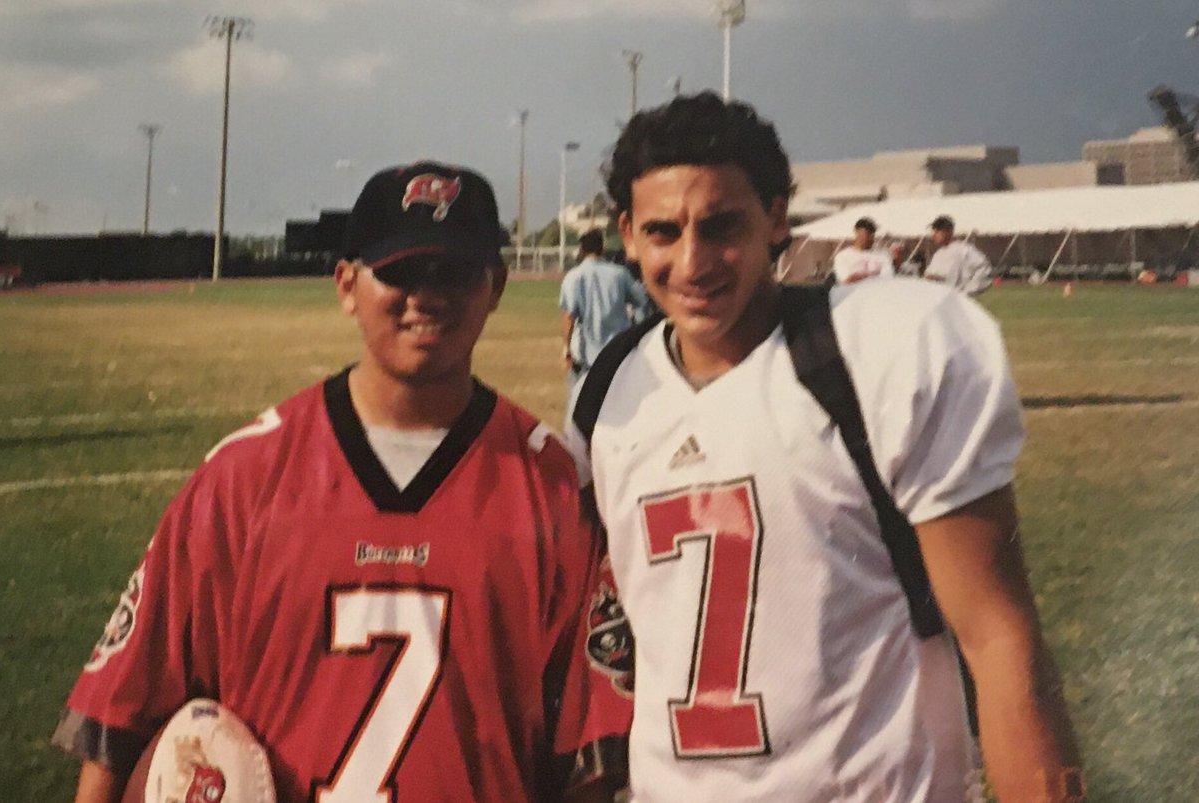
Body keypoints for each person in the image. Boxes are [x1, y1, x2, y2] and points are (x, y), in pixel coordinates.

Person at [566, 92, 1084, 801]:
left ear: (776, 216)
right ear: (627, 233)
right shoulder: (610, 393)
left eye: (721, 225)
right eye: (663, 231)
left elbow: (999, 635)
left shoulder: (877, 350)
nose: (692, 261)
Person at [52, 161, 618, 803]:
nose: (427, 296)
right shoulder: (244, 479)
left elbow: (586, 758)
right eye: (400, 271)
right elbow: (118, 718)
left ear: (496, 286)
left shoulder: (553, 488)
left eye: (454, 272)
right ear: (347, 285)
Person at [560, 229, 651, 408]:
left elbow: (569, 316)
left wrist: (566, 348)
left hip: (584, 357)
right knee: (617, 406)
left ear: (581, 250)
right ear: (602, 248)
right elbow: (642, 301)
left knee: (579, 407)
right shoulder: (619, 274)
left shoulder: (573, 277)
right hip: (616, 354)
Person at [925, 214, 994, 295]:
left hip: (956, 299)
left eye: (938, 231)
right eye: (934, 231)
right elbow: (931, 275)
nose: (934, 235)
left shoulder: (963, 250)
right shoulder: (938, 254)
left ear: (949, 231)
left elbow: (984, 268)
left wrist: (968, 292)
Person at [831, 216, 895, 284]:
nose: (870, 238)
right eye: (867, 234)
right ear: (857, 233)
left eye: (872, 234)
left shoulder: (883, 255)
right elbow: (846, 280)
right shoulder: (843, 256)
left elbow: (887, 279)